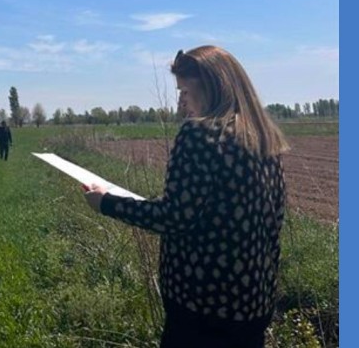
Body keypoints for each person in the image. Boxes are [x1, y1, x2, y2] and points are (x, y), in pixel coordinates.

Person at [82, 46, 289, 348]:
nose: (182, 104)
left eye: (185, 92)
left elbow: (175, 218)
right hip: (252, 308)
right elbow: (273, 221)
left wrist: (107, 203)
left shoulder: (198, 135)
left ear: (211, 87)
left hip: (201, 308)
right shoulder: (263, 140)